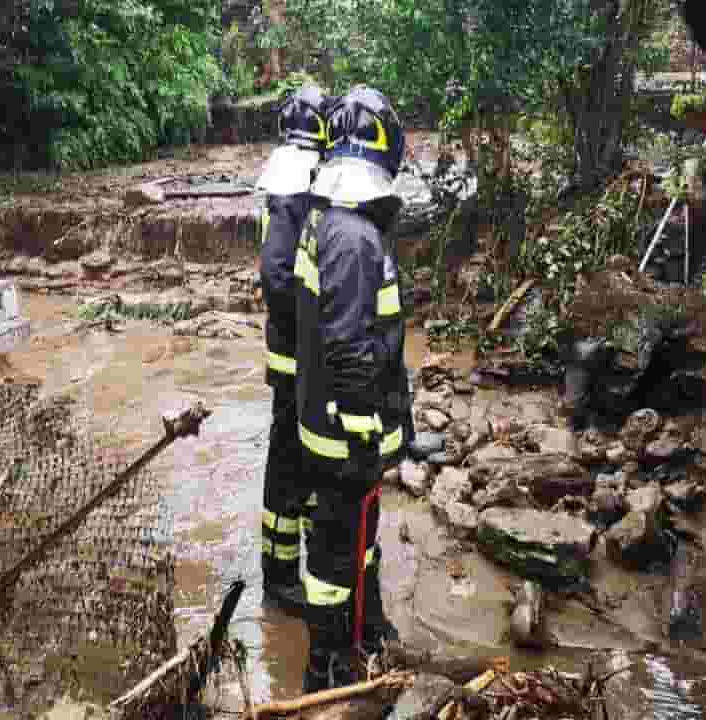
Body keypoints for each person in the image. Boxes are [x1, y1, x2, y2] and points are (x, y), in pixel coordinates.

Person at [294, 85, 406, 691]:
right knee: (336, 554)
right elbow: (349, 347)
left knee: (353, 541)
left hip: (326, 423)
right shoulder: (355, 238)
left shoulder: (329, 222)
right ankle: (329, 667)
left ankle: (361, 633)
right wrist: (366, 432)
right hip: (344, 436)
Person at [255, 84, 328, 615]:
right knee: (287, 466)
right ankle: (280, 579)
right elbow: (278, 275)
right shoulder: (295, 183)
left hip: (293, 352)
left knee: (300, 462)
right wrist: (312, 328)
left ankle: (294, 561)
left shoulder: (284, 175)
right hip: (295, 357)